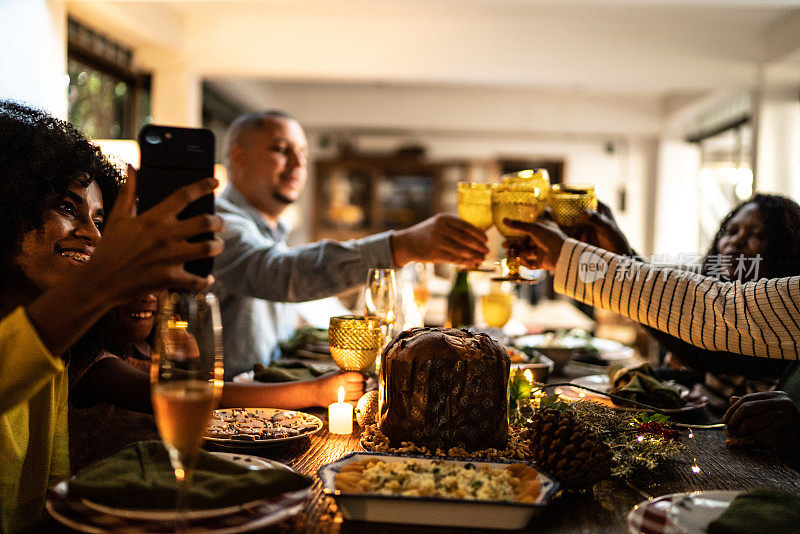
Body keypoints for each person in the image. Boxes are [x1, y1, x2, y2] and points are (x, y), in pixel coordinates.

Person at [0, 100, 223, 533]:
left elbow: (52, 501)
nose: (94, 235)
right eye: (68, 208)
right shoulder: (39, 342)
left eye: (100, 219)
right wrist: (104, 281)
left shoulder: (55, 354)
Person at [213, 110, 490, 378]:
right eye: (282, 150)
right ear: (239, 157)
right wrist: (402, 246)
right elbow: (280, 273)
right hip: (226, 416)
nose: (298, 165)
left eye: (303, 154)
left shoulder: (270, 230)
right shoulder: (219, 225)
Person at [68, 293, 364, 471]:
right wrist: (314, 391)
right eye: (130, 283)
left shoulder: (144, 350)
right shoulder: (95, 368)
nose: (146, 295)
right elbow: (215, 396)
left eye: (153, 281)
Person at [578, 196, 800, 415]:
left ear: (787, 248)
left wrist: (623, 258)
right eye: (731, 231)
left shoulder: (782, 314)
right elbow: (674, 293)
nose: (736, 241)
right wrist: (622, 254)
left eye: (756, 235)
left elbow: (707, 349)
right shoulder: (715, 287)